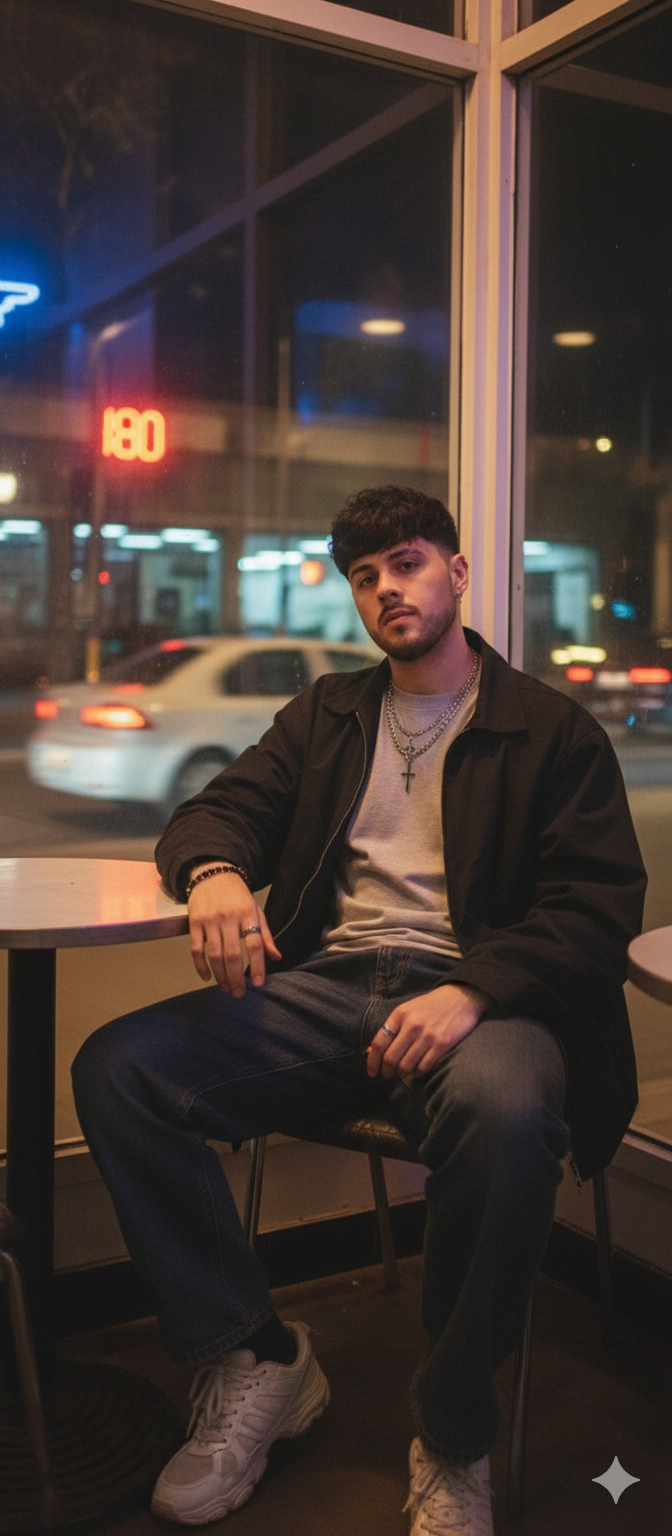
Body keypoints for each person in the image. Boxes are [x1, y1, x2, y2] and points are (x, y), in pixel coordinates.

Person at [72, 485, 646, 1534]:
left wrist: (473, 989)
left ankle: (455, 1435)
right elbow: (219, 809)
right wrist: (213, 871)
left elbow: (597, 909)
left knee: (507, 1112)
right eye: (366, 576)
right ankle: (261, 1357)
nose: (388, 589)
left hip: (489, 998)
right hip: (331, 989)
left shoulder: (548, 729)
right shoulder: (329, 713)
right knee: (121, 1069)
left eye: (409, 563)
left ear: (457, 573)